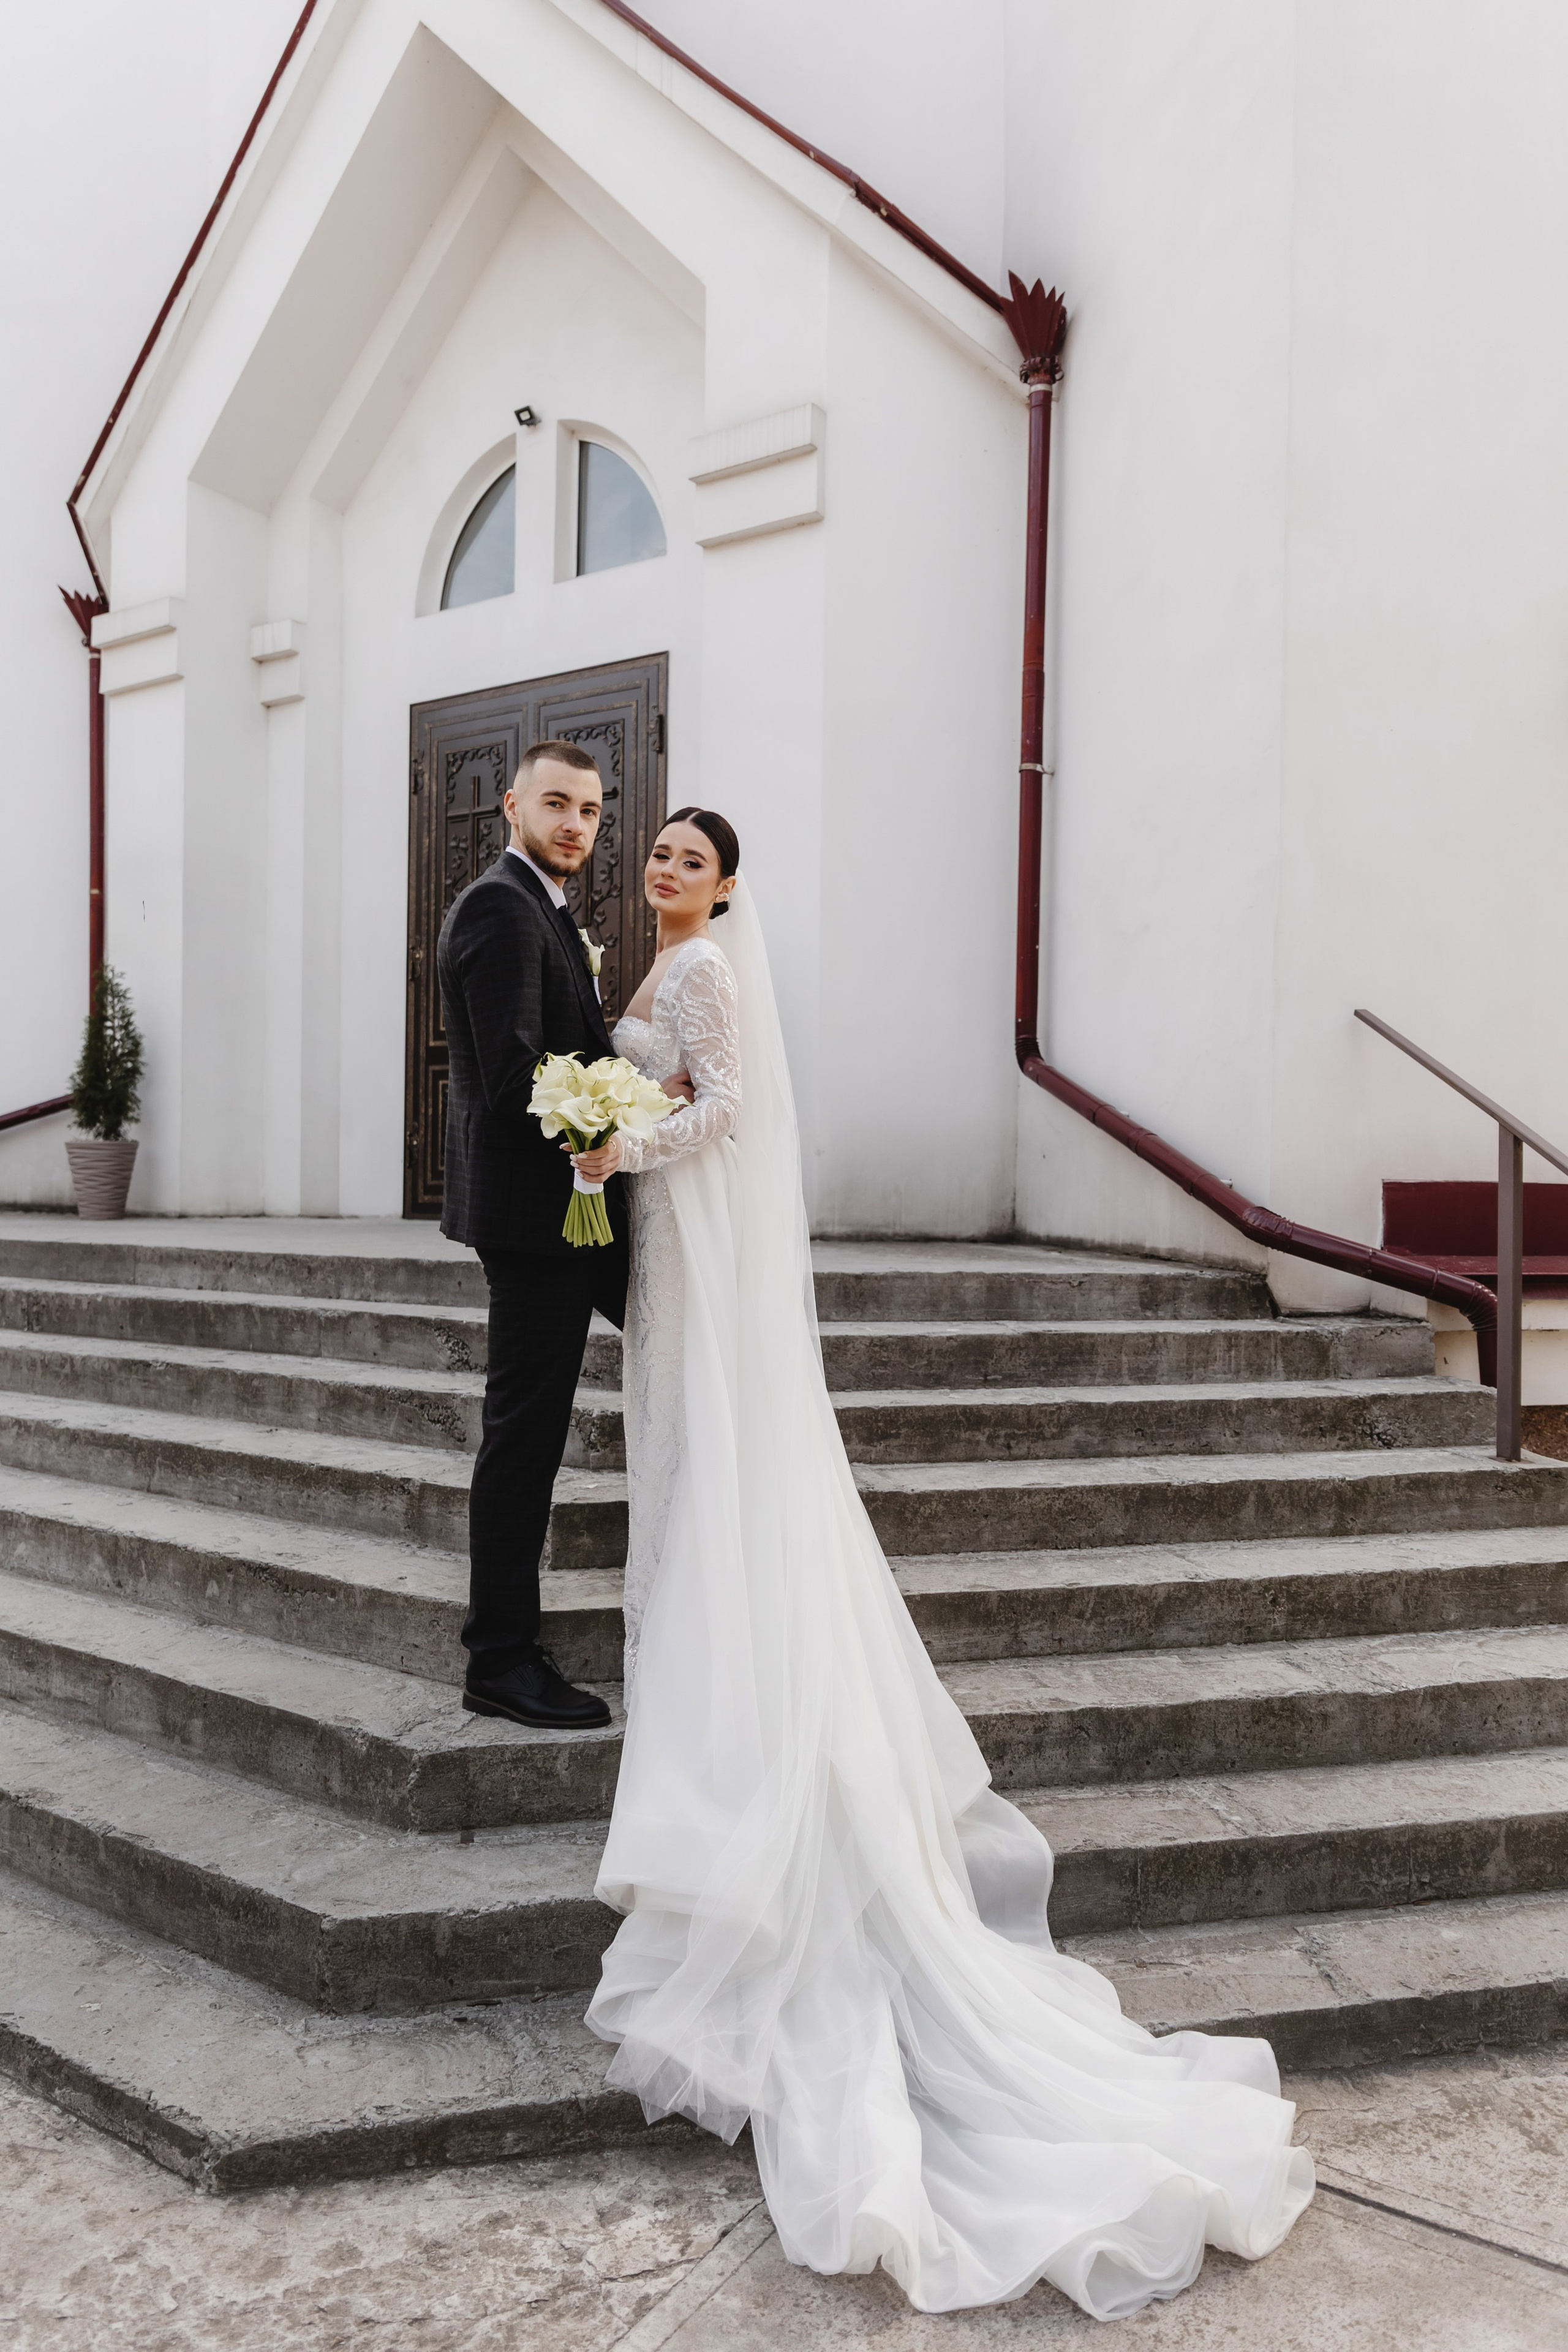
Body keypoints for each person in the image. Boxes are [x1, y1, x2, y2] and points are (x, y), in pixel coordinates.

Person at [571, 807, 1316, 2320]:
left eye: (687, 859)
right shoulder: (647, 962)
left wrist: (613, 1140)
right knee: (689, 1468)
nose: (663, 868)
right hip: (667, 1253)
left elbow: (722, 1110)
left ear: (727, 886)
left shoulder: (705, 974)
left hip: (691, 1239)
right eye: (654, 851)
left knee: (720, 1472)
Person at [436, 740, 629, 1732]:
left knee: (538, 1429)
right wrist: (624, 1116)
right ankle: (500, 1659)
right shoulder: (501, 908)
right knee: (524, 1439)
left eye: (591, 812)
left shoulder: (545, 909)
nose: (574, 826)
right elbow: (518, 1084)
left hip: (564, 1217)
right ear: (512, 805)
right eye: (556, 804)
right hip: (537, 1222)